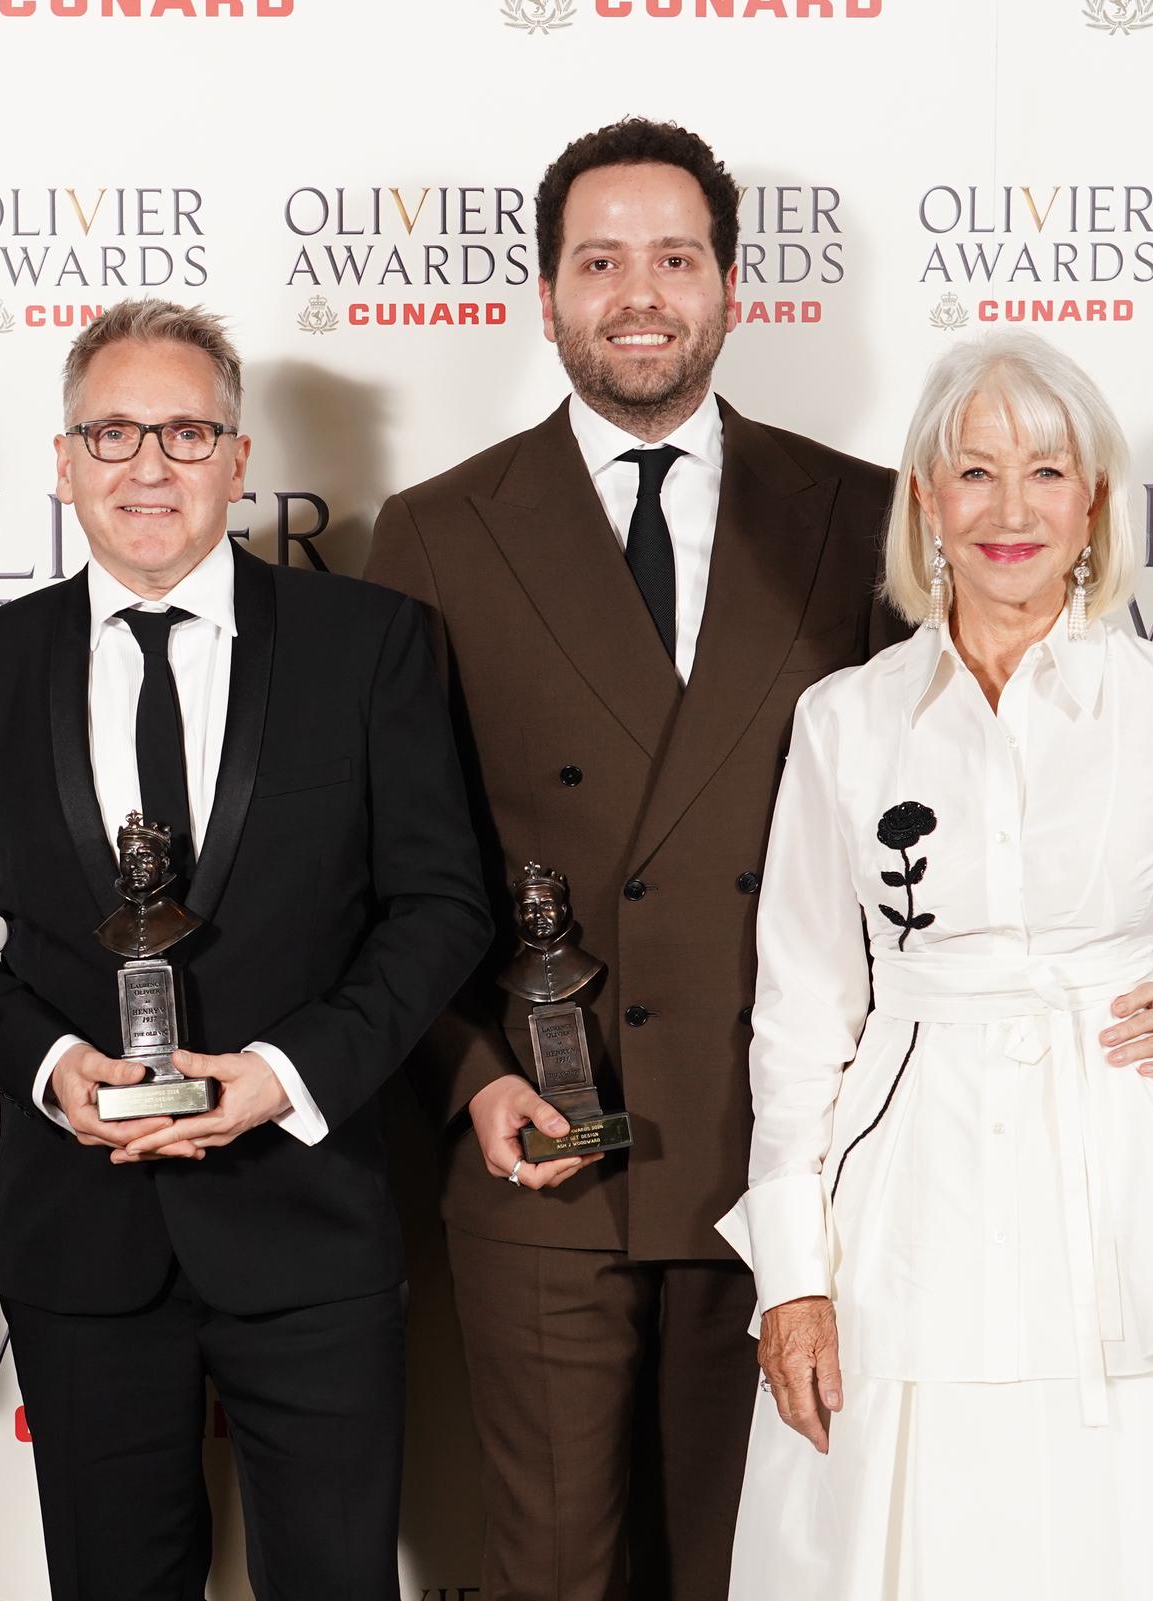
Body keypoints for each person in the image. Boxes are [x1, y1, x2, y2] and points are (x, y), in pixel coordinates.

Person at [721, 330, 1153, 1600]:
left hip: (1145, 1189)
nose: (1010, 508)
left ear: (1092, 501)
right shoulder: (847, 719)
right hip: (907, 1192)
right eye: (974, 471)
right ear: (927, 498)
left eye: (1048, 472)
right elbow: (801, 1014)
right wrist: (794, 1276)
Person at [363, 117, 903, 1600]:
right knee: (554, 1572)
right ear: (545, 295)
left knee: (756, 1569)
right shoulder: (436, 533)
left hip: (787, 1160)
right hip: (545, 1157)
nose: (640, 292)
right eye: (600, 260)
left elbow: (925, 850)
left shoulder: (865, 517)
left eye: (675, 257)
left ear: (733, 284)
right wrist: (474, 1078)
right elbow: (388, 869)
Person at [0, 298, 490, 1600]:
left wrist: (287, 1071)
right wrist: (52, 1068)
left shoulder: (367, 647)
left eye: (184, 431)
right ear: (60, 459)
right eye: (111, 432)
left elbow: (442, 906)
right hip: (81, 1235)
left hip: (310, 1225)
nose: (147, 465)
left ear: (239, 455)